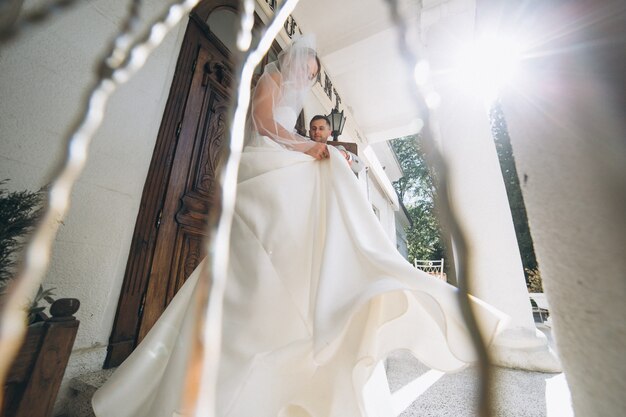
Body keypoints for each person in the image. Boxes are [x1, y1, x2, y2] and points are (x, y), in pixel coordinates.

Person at [92, 34, 506, 417]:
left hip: (279, 161)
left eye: (310, 76)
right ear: (291, 61)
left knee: (294, 228)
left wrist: (312, 147)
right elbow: (264, 124)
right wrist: (309, 146)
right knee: (252, 254)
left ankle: (328, 282)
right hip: (261, 165)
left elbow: (287, 133)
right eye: (305, 71)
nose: (305, 79)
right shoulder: (269, 81)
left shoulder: (298, 98)